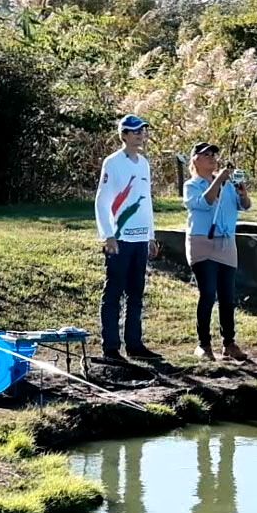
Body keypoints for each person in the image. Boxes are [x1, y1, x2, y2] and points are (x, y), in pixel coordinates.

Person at [96, 114, 159, 361]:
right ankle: (111, 347)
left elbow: (146, 202)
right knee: (114, 292)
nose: (140, 135)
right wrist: (108, 235)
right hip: (120, 239)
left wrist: (151, 236)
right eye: (134, 132)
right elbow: (102, 200)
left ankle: (135, 344)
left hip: (140, 239)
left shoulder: (143, 162)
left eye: (142, 131)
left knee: (136, 292)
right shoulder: (112, 162)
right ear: (123, 135)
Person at [182, 141, 251, 362]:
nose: (212, 158)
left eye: (214, 154)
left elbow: (245, 206)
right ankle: (203, 344)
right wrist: (219, 181)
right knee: (208, 293)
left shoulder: (228, 185)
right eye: (206, 155)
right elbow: (205, 203)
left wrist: (242, 192)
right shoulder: (191, 185)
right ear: (195, 160)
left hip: (226, 243)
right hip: (202, 242)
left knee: (228, 296)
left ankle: (229, 343)